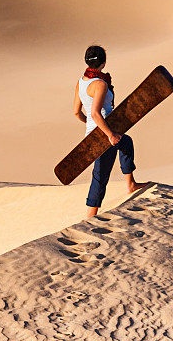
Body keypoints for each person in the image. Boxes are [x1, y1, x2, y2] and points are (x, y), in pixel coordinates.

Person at [73, 44, 147, 217]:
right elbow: (95, 113)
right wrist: (109, 134)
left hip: (96, 132)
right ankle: (91, 215)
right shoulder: (100, 84)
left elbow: (77, 112)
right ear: (103, 63)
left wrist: (90, 126)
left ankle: (131, 184)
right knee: (100, 174)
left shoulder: (81, 82)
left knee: (126, 143)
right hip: (104, 133)